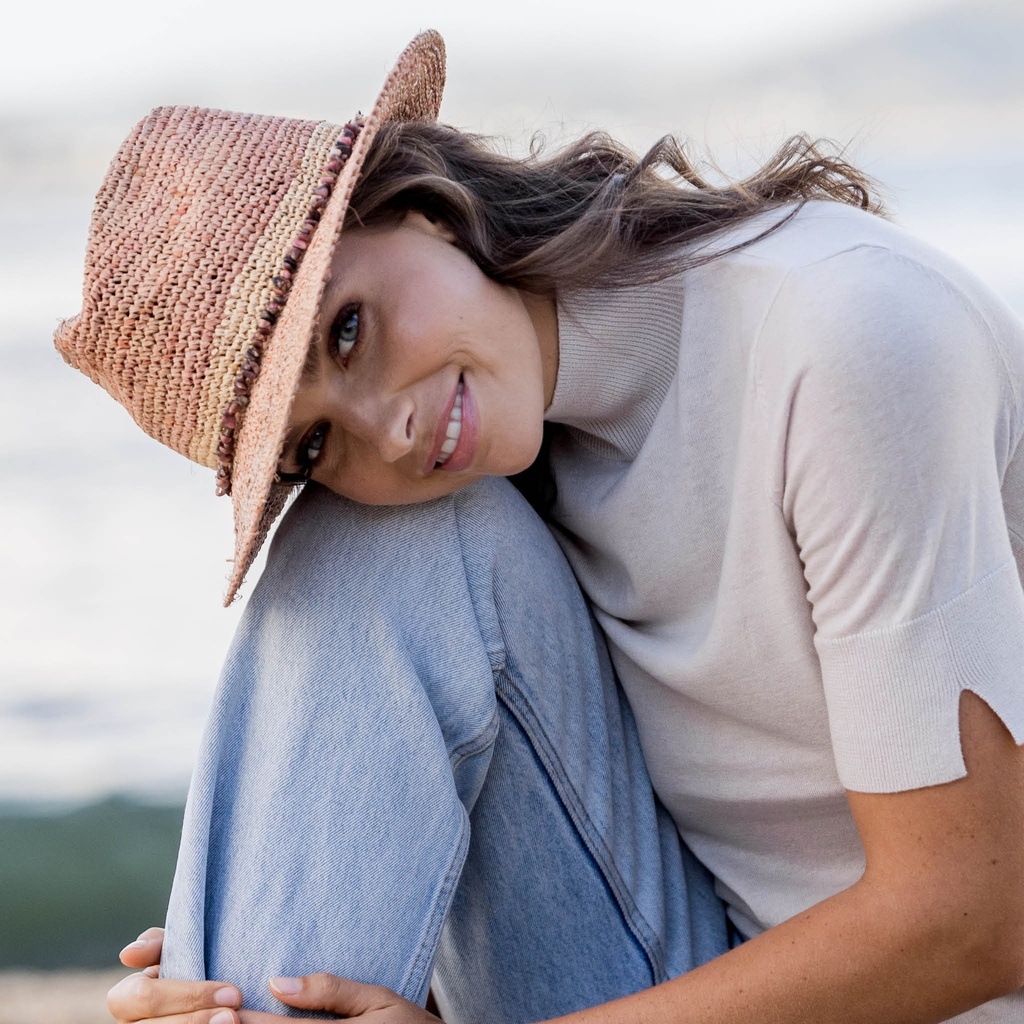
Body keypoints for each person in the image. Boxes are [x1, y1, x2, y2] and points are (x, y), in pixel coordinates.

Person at [56, 29, 1024, 1024]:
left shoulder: (848, 342)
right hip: (687, 965)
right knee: (351, 533)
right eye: (311, 442)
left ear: (423, 208)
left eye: (346, 331)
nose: (384, 431)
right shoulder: (501, 463)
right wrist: (279, 909)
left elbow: (974, 920)